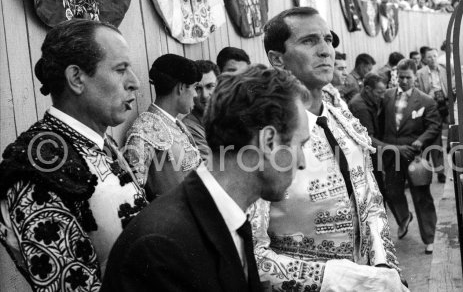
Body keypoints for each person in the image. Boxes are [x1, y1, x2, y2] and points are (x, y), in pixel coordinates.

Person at [101, 66, 311, 292]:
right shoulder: (162, 246)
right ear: (268, 141)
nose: (302, 162)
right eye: (299, 145)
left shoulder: (232, 214)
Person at [254, 7, 406, 291]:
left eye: (328, 40)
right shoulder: (260, 136)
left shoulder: (343, 120)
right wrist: (343, 280)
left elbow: (371, 202)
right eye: (309, 41)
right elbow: (251, 253)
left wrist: (383, 268)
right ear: (277, 59)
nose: (326, 50)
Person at [0, 19, 145, 289]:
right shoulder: (36, 167)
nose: (134, 83)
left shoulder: (97, 140)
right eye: (120, 69)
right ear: (77, 78)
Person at [381, 59, 441, 255]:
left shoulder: (425, 101)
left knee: (422, 197)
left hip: (414, 156)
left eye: (408, 77)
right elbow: (381, 122)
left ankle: (430, 238)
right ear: (396, 75)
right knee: (392, 192)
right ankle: (404, 217)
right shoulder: (387, 96)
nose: (404, 81)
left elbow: (434, 126)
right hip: (392, 154)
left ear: (416, 77)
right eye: (401, 77)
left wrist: (421, 140)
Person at [124, 54, 202, 200]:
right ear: (181, 87)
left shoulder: (178, 125)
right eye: (195, 88)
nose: (196, 94)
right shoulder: (143, 129)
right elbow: (134, 193)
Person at [348, 73, 390, 202]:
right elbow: (368, 139)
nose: (382, 96)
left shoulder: (371, 99)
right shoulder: (360, 106)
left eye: (384, 92)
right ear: (367, 89)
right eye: (379, 92)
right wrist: (393, 148)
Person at [416, 48, 448, 183]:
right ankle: (428, 170)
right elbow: (417, 92)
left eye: (435, 56)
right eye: (429, 57)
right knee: (431, 138)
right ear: (424, 60)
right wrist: (429, 95)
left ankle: (439, 170)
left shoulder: (444, 70)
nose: (433, 59)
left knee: (438, 139)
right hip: (428, 108)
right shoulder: (420, 73)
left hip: (443, 104)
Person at [182, 60, 220, 161]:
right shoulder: (188, 127)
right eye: (198, 88)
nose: (204, 95)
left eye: (210, 86)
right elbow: (213, 164)